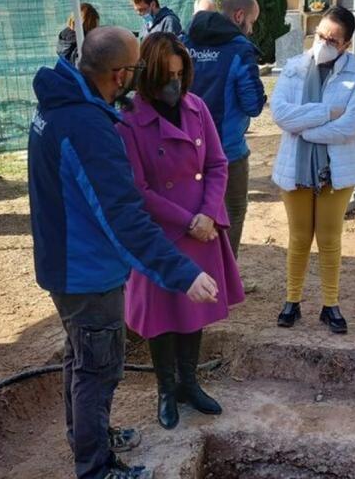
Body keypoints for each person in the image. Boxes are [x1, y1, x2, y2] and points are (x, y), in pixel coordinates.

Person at [28, 26, 219, 479]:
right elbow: (123, 215)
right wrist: (183, 273)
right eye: (133, 70)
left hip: (62, 261)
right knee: (98, 369)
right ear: (119, 74)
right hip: (86, 271)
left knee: (80, 359)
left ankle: (88, 436)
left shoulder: (57, 109)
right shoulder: (89, 127)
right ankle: (96, 469)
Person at [116, 32, 244, 430]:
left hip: (203, 230)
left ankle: (190, 383)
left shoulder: (197, 107)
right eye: (166, 75)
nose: (174, 83)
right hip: (162, 235)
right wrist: (186, 219)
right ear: (148, 75)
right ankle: (166, 391)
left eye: (180, 74)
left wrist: (207, 214)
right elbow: (138, 189)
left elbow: (218, 165)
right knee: (162, 317)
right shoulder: (131, 119)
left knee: (195, 309)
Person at [270, 6, 355, 335]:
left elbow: (351, 125)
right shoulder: (294, 67)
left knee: (329, 238)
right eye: (320, 35)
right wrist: (328, 111)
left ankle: (330, 304)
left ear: (346, 44)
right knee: (298, 237)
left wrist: (307, 128)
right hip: (295, 165)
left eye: (332, 39)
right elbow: (282, 115)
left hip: (335, 169)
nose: (324, 42)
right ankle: (292, 300)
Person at [182, 0, 266, 258]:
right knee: (232, 214)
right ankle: (225, 286)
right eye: (251, 22)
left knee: (191, 216)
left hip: (186, 151)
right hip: (228, 153)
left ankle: (197, 282)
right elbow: (253, 104)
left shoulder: (186, 42)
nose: (251, 30)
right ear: (239, 15)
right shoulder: (240, 49)